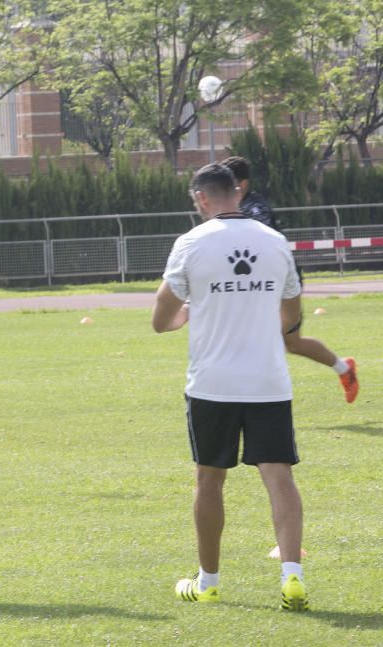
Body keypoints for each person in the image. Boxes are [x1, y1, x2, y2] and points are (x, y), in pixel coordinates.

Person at [152, 162, 309, 611]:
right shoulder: (275, 242)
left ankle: (209, 582)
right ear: (237, 194)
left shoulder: (190, 244)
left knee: (209, 480)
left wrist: (184, 315)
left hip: (213, 383)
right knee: (279, 477)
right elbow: (292, 311)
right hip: (268, 380)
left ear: (201, 198)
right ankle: (293, 577)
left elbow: (161, 318)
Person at [221, 156, 358, 403]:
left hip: (278, 284)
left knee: (262, 338)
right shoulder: (231, 207)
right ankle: (344, 369)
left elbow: (256, 243)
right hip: (258, 284)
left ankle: (259, 399)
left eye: (228, 183)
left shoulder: (254, 208)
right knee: (292, 343)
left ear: (241, 184)